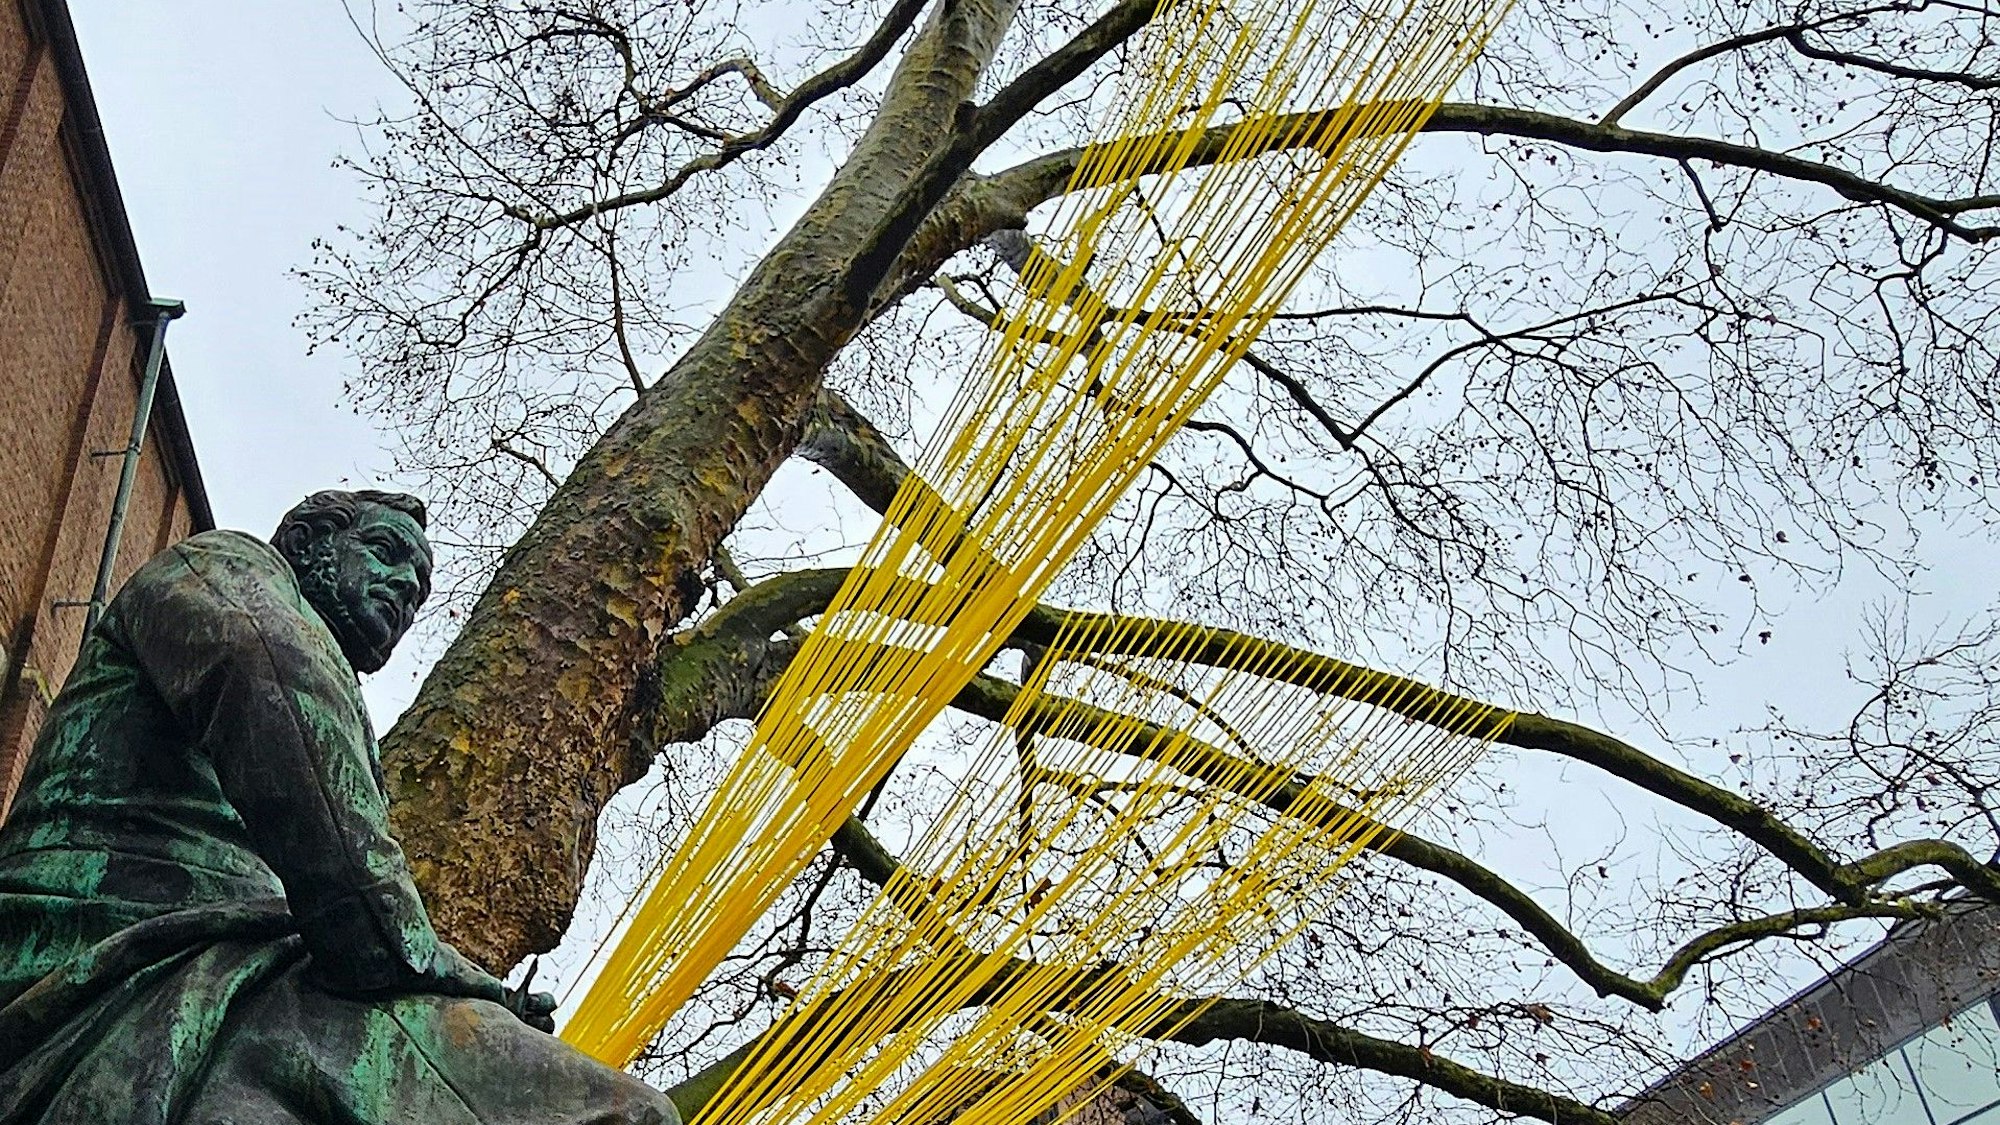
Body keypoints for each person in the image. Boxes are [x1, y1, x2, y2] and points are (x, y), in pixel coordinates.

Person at [0, 490, 678, 1125]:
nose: (404, 589)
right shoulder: (226, 565)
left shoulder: (342, 705)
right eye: (386, 551)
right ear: (305, 538)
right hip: (117, 950)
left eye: (417, 593)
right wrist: (418, 956)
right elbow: (265, 671)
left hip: (233, 970)